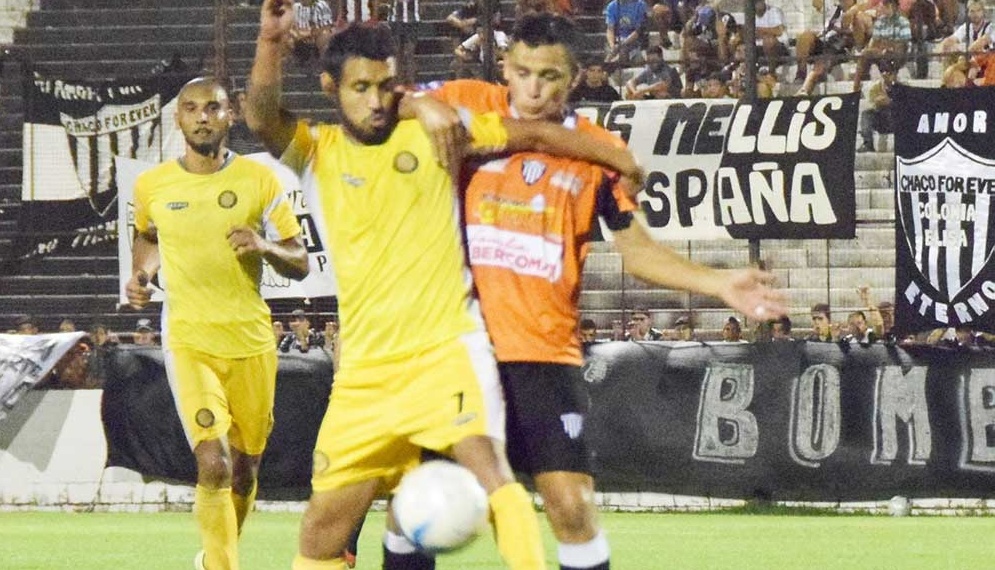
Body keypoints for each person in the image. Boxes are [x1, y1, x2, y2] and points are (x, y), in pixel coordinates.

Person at [245, 5, 641, 568]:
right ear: (330, 87)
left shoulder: (441, 134)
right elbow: (261, 115)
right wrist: (268, 41)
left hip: (446, 350)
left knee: (498, 483)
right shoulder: (318, 152)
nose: (377, 100)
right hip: (366, 377)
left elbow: (533, 132)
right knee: (320, 535)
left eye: (386, 86)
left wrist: (619, 157)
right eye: (360, 88)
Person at [406, 12, 787, 570]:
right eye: (523, 72)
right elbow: (386, 100)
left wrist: (717, 281)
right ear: (505, 70)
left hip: (543, 352)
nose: (534, 88)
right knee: (421, 502)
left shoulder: (596, 149)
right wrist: (421, 103)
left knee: (572, 506)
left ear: (576, 77)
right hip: (460, 346)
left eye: (550, 76)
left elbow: (637, 250)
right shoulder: (469, 102)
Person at [125, 76, 310, 570]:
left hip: (251, 342)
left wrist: (266, 245)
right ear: (178, 118)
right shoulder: (153, 185)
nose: (202, 116)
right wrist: (141, 273)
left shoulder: (260, 179)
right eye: (191, 108)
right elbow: (146, 235)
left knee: (245, 473)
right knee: (213, 464)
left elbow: (300, 258)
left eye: (213, 107)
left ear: (230, 115)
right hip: (189, 340)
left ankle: (214, 557)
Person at [856, 60, 898, 152]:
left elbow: (906, 105)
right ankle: (868, 143)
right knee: (866, 114)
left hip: (897, 120)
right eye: (883, 71)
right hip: (882, 119)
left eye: (889, 72)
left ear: (894, 74)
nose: (885, 74)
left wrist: (890, 102)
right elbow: (873, 103)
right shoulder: (876, 87)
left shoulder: (902, 87)